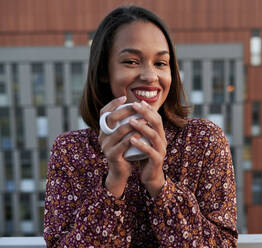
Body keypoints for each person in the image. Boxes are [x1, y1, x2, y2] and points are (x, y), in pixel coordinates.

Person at [44, 5, 237, 248]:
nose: (150, 76)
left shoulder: (203, 140)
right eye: (132, 61)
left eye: (161, 63)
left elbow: (223, 244)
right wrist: (114, 180)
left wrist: (159, 184)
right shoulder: (70, 151)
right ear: (105, 70)